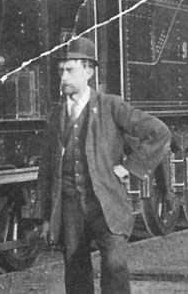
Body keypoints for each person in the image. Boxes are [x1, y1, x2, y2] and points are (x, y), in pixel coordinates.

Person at [36, 37, 171, 294]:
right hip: (71, 206)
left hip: (106, 204)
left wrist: (130, 166)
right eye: (60, 71)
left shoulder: (111, 106)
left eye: (69, 70)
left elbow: (159, 132)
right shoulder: (55, 115)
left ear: (88, 71)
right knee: (75, 274)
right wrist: (45, 217)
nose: (63, 77)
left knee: (115, 268)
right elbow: (46, 169)